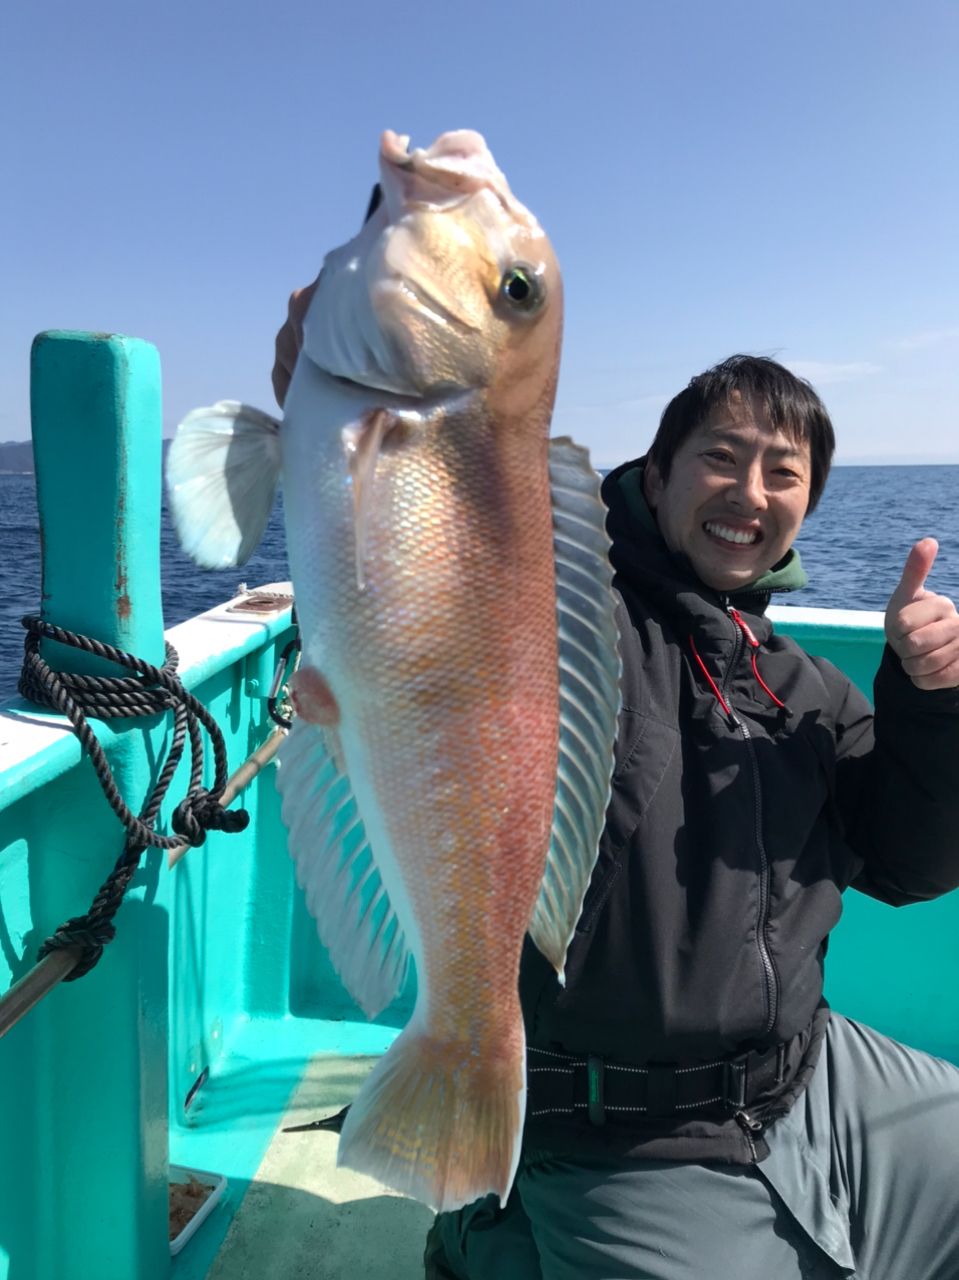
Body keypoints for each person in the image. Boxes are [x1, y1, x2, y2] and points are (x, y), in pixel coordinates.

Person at [274, 297, 959, 1277]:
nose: (748, 490)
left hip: (802, 1075)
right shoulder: (558, 622)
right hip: (612, 1125)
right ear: (660, 470)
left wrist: (929, 701)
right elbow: (416, 566)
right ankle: (488, 1222)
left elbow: (910, 861)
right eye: (720, 456)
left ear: (806, 504)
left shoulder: (809, 688)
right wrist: (336, 401)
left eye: (783, 471)